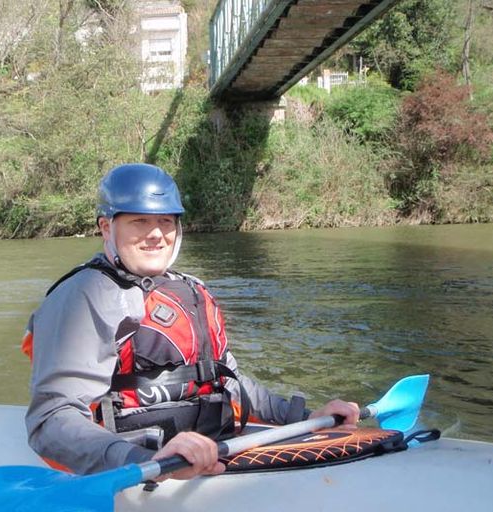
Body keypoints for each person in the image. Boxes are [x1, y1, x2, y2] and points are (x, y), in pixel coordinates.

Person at [23, 163, 359, 480]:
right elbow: (51, 420)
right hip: (143, 466)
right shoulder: (85, 295)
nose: (156, 233)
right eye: (139, 221)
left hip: (212, 453)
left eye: (166, 221)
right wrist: (143, 462)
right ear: (107, 227)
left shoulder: (191, 288)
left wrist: (304, 419)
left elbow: (229, 380)